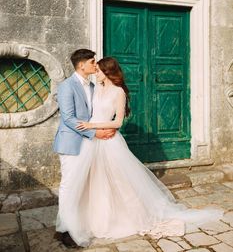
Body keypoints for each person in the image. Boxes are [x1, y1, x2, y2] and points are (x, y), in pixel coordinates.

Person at [70, 56, 223, 247]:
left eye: (99, 70)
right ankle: (95, 219)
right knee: (95, 181)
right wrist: (91, 129)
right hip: (94, 140)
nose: (96, 73)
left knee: (119, 180)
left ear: (107, 72)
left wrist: (93, 125)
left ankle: (127, 217)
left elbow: (117, 122)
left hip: (110, 141)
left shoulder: (119, 92)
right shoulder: (96, 89)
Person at [53, 49, 116, 248]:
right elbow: (69, 118)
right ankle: (65, 230)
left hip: (90, 146)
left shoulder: (91, 85)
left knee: (82, 187)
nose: (95, 65)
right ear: (81, 65)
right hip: (72, 143)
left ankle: (77, 224)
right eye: (92, 62)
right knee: (69, 186)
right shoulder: (66, 86)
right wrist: (94, 133)